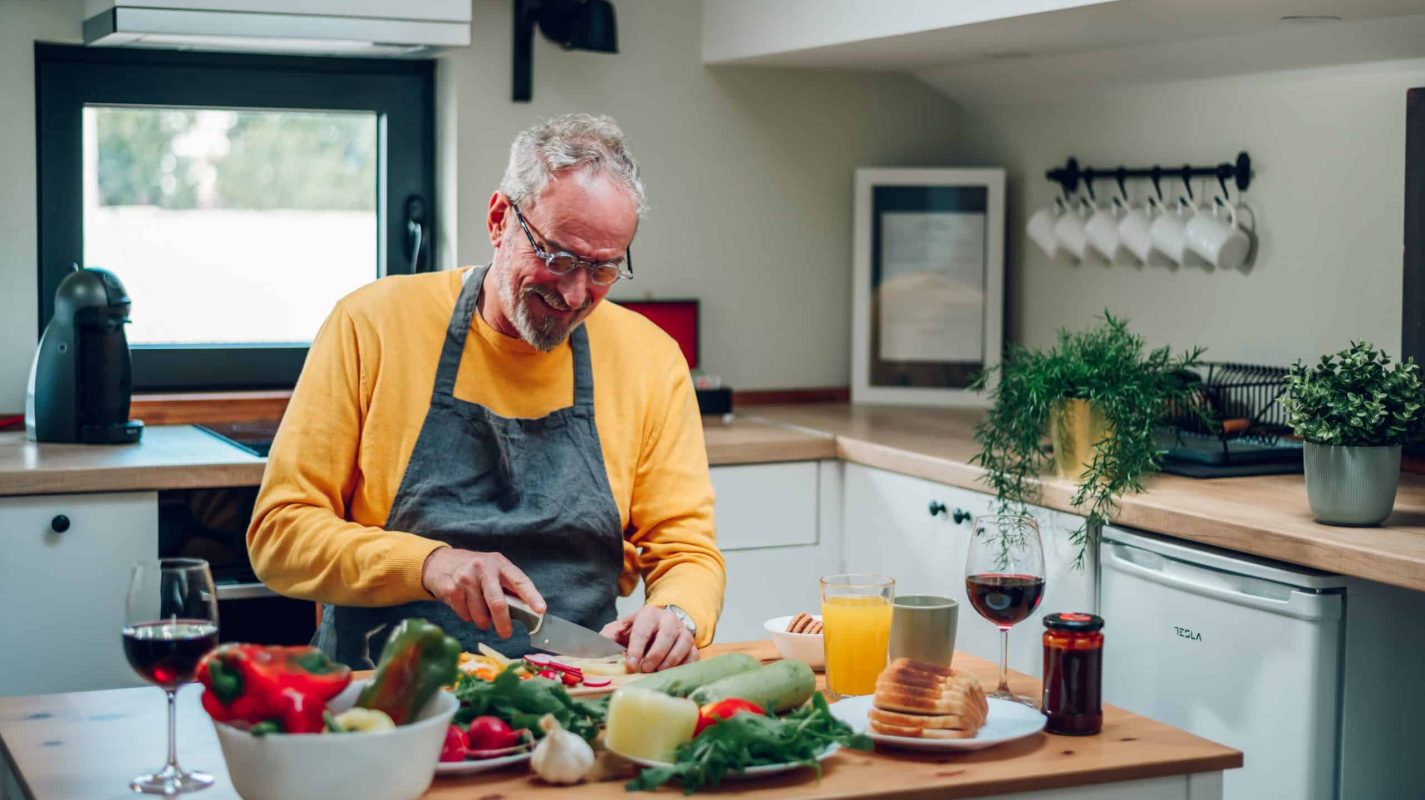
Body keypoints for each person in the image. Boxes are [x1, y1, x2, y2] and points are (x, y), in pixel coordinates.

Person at [247, 113, 724, 673]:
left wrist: (678, 614)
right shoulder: (371, 325)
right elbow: (280, 533)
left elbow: (687, 550)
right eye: (558, 258)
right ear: (500, 219)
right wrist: (428, 564)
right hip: (379, 691)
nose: (574, 294)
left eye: (602, 270)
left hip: (576, 689)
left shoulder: (650, 358)